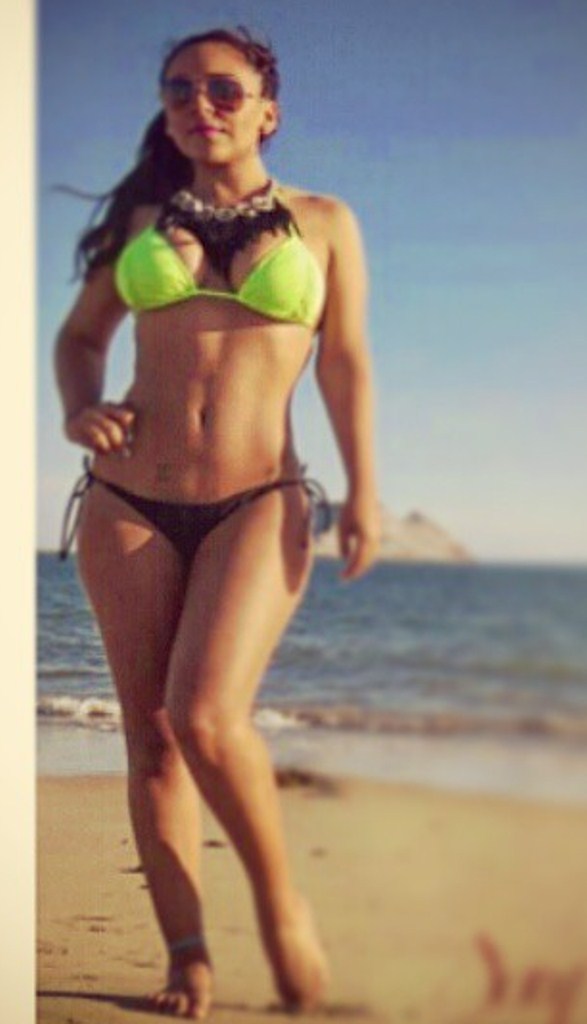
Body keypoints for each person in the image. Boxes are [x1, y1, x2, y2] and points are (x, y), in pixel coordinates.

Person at [54, 25, 380, 1019]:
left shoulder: (325, 221)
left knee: (203, 715)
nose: (201, 104)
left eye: (224, 89)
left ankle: (280, 905)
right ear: (166, 111)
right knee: (152, 743)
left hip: (256, 500)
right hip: (125, 503)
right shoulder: (142, 223)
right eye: (179, 89)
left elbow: (343, 362)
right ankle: (187, 956)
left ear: (266, 110)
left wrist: (365, 491)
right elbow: (81, 337)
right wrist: (80, 407)